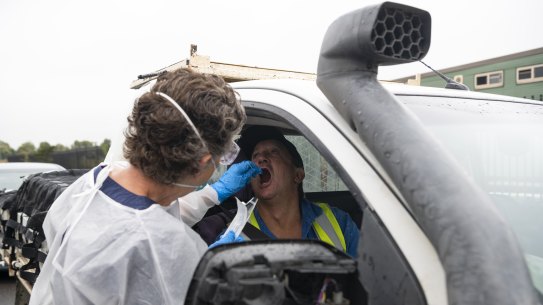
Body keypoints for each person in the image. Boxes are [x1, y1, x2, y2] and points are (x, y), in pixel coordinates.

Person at [29, 68, 253, 305]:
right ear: (202, 162)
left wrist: (212, 194)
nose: (220, 166)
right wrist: (205, 271)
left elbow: (147, 217)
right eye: (223, 158)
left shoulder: (93, 184)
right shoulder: (169, 247)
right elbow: (150, 237)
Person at [197, 126, 360, 258]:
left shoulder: (338, 222)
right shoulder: (234, 233)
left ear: (297, 175)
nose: (261, 158)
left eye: (273, 152)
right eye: (256, 155)